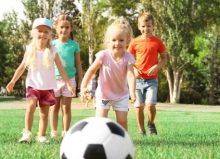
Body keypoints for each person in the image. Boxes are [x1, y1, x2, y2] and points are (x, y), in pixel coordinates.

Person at [6, 18, 75, 143]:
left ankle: (41, 136)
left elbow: (61, 69)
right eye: (40, 31)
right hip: (33, 85)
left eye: (46, 32)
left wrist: (69, 85)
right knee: (31, 106)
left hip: (48, 87)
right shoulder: (30, 49)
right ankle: (27, 134)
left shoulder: (53, 51)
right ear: (34, 32)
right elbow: (21, 67)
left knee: (44, 113)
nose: (42, 34)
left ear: (50, 35)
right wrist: (12, 81)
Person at [80, 17, 136, 130]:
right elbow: (91, 71)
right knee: (100, 121)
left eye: (121, 40)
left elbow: (131, 75)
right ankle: (100, 141)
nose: (117, 43)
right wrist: (83, 87)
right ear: (108, 41)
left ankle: (123, 141)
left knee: (122, 121)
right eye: (114, 40)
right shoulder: (103, 55)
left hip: (121, 96)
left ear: (127, 41)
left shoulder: (128, 58)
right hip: (103, 95)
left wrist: (132, 92)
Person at [128, 12, 167, 135]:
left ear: (153, 26)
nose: (146, 29)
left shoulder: (158, 42)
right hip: (138, 80)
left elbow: (164, 58)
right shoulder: (134, 42)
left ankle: (151, 123)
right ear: (139, 27)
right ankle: (141, 130)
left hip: (152, 80)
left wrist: (157, 66)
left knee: (150, 105)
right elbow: (128, 60)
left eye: (149, 26)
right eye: (143, 26)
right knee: (139, 107)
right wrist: (134, 70)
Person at [49, 14, 83, 138]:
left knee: (66, 107)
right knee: (54, 107)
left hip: (70, 80)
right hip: (54, 80)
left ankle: (66, 132)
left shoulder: (74, 45)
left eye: (67, 27)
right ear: (56, 28)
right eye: (61, 27)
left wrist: (81, 81)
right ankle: (53, 132)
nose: (64, 30)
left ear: (71, 29)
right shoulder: (52, 45)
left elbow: (78, 64)